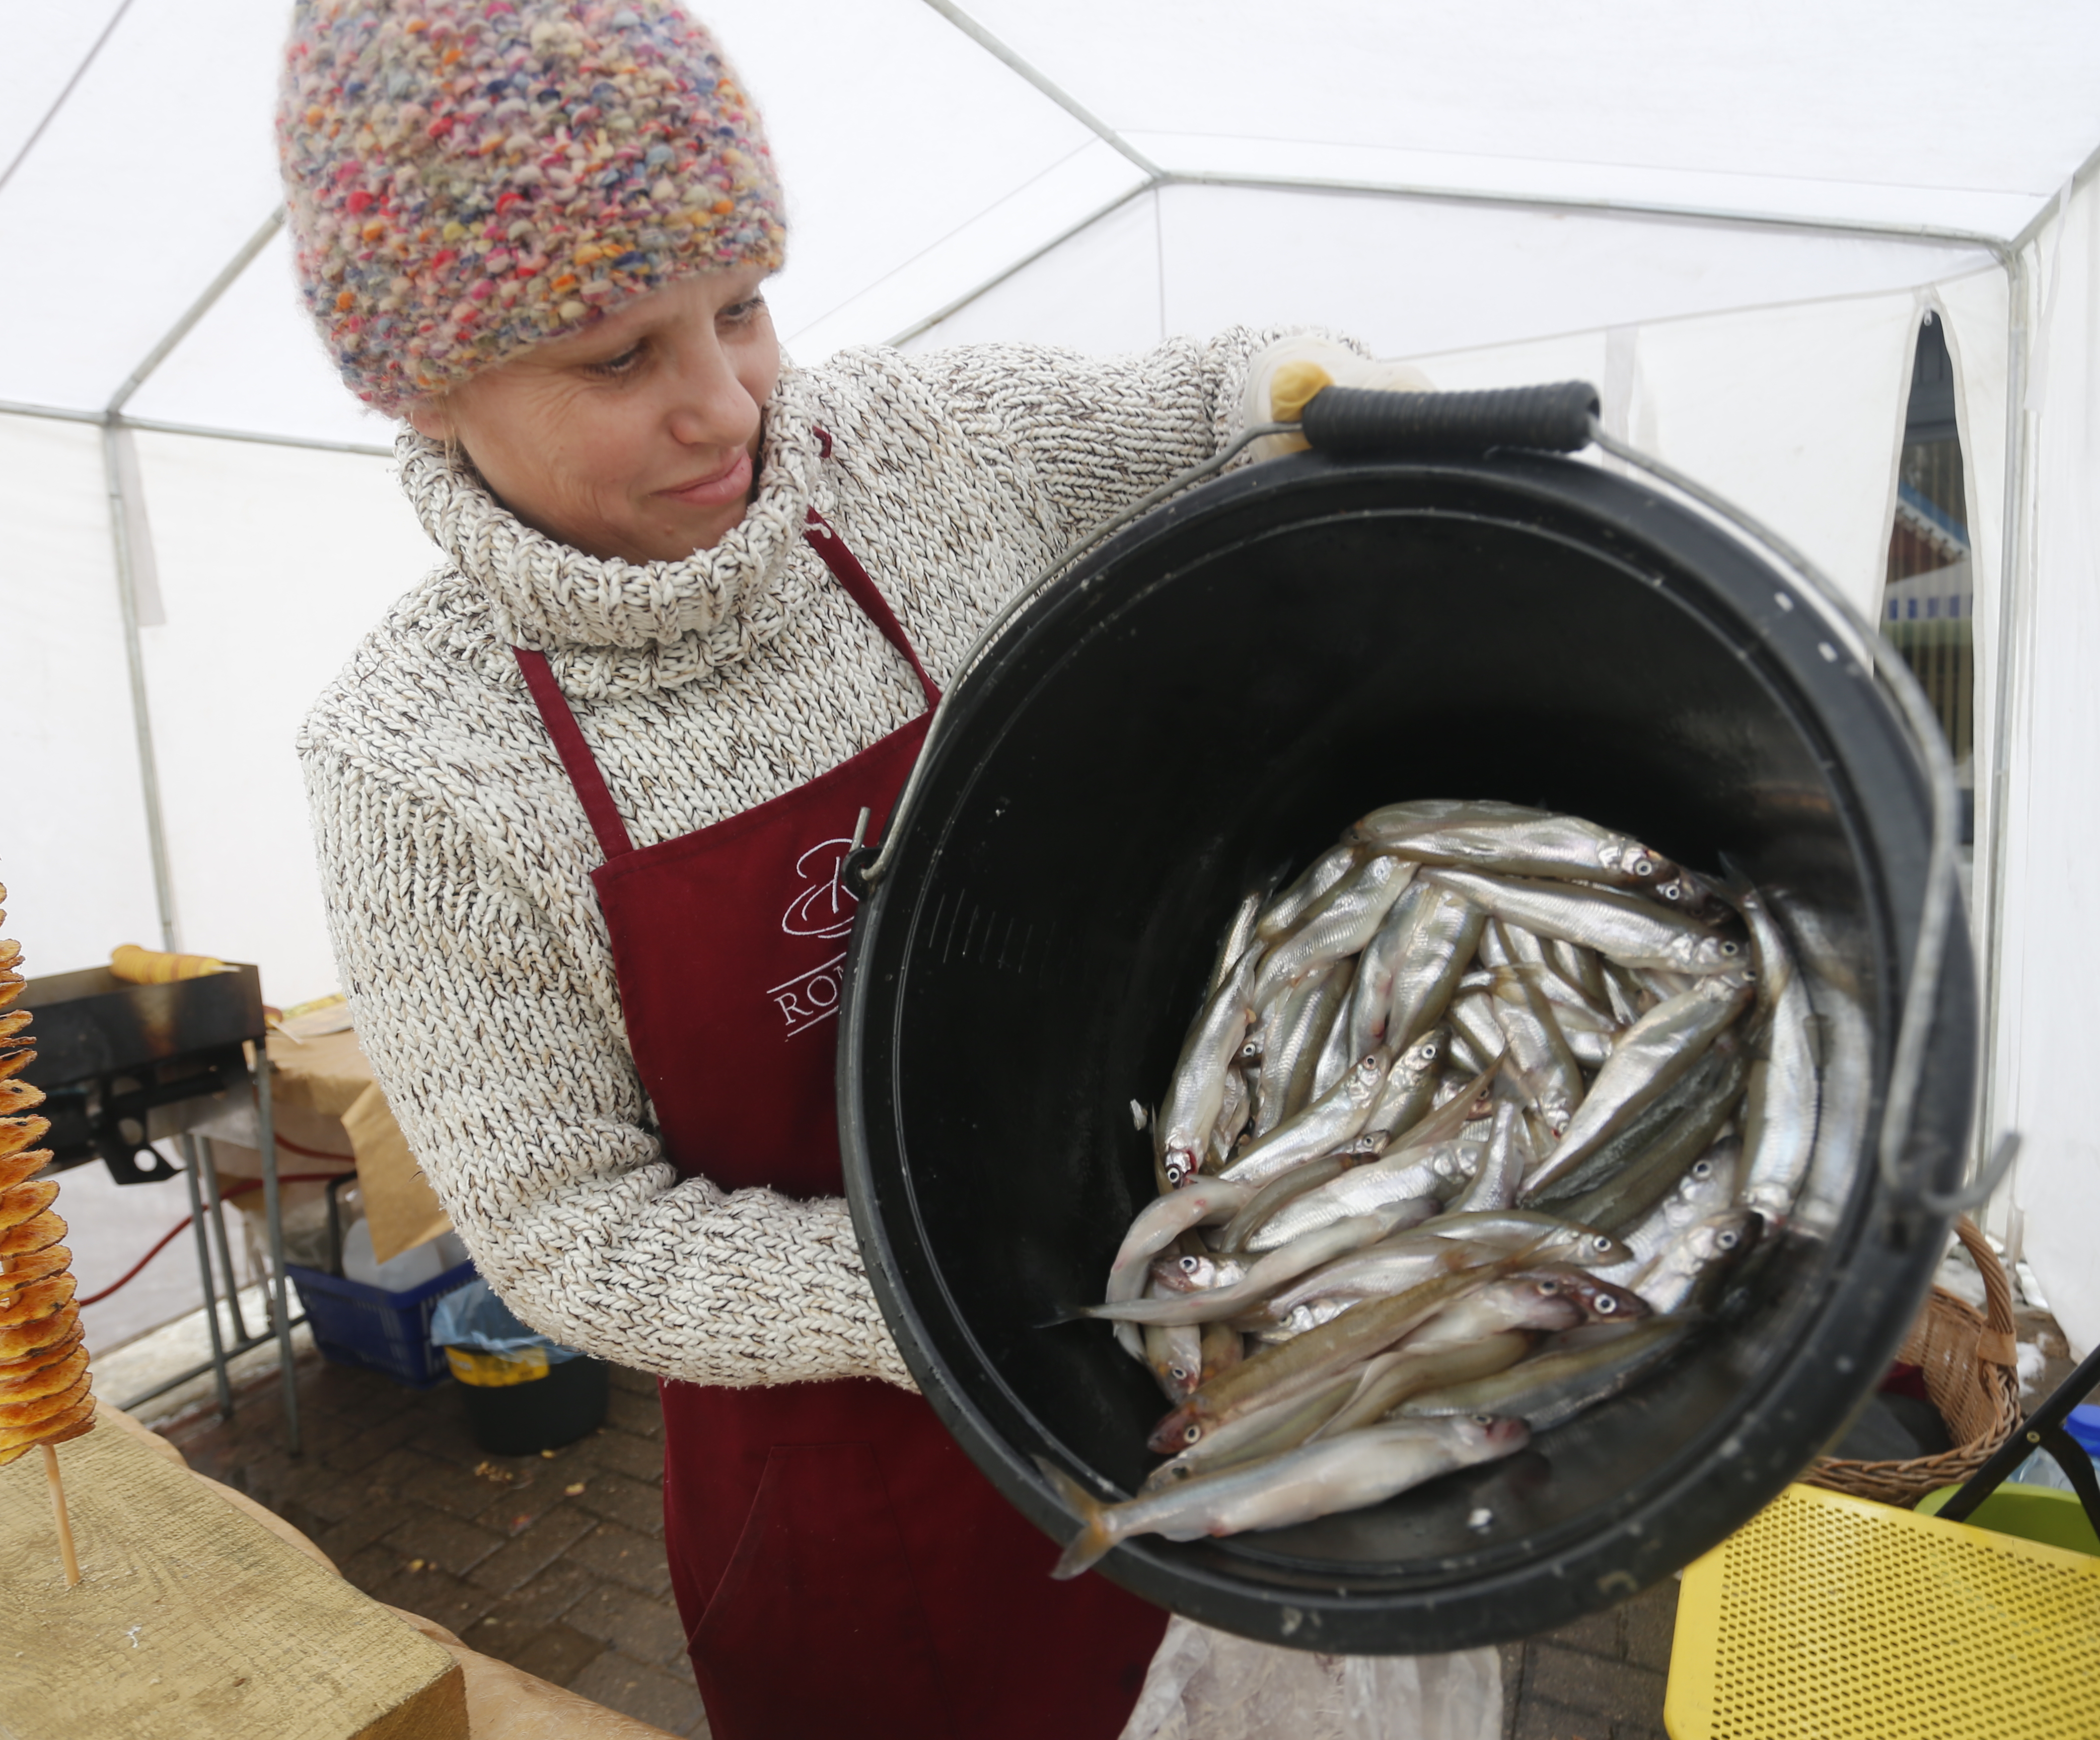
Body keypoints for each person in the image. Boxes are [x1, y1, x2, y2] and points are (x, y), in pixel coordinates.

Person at [280, 4, 1324, 1732]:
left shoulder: (906, 451)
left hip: (1218, 1342)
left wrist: (1318, 385)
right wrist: (974, 1291)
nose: (726, 406)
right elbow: (566, 1235)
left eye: (743, 307)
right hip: (860, 1506)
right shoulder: (420, 763)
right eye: (619, 357)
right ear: (421, 384)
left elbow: (1216, 400)